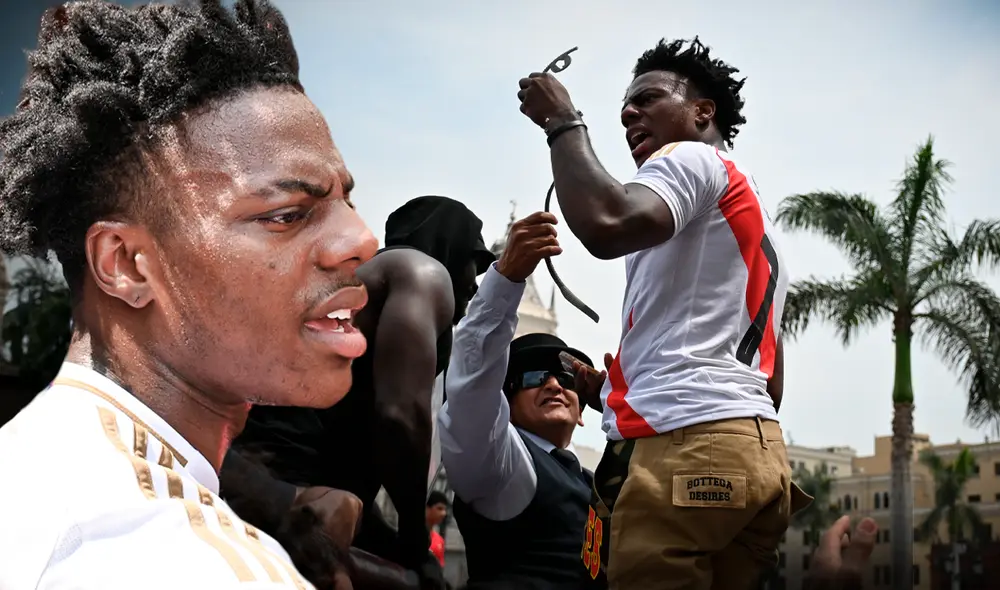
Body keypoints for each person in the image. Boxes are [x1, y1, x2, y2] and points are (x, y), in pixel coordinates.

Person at [0, 1, 376, 588]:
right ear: (125, 264)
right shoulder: (183, 558)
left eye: (345, 201)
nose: (360, 239)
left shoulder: (35, 463)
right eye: (286, 214)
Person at [517, 37, 805, 589]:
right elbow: (767, 381)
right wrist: (614, 389)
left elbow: (608, 221)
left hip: (685, 449)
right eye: (626, 106)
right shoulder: (752, 219)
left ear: (702, 112)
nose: (629, 112)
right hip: (754, 453)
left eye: (648, 98)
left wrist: (562, 121)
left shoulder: (690, 157)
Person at [223, 196, 494, 584]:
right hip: (284, 485)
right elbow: (400, 417)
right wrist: (416, 539)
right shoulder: (423, 273)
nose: (475, 281)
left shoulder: (356, 287)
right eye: (477, 262)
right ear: (449, 244)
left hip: (253, 470)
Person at [438, 212, 604, 590]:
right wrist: (506, 280)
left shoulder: (594, 481)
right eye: (531, 377)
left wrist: (613, 403)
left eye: (565, 376)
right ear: (504, 405)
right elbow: (474, 383)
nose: (552, 384)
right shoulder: (504, 464)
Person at [425, 491, 450, 567]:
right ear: (427, 508)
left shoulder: (439, 540)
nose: (443, 513)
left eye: (445, 510)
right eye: (439, 508)